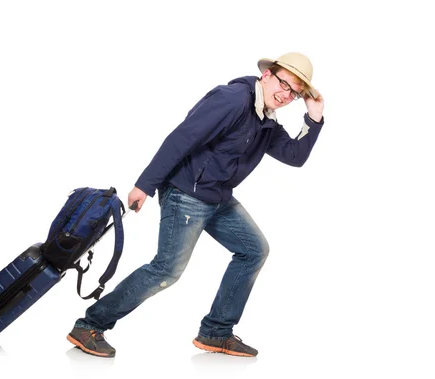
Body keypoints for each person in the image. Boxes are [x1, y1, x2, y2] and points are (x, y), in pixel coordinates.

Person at [67, 52, 325, 357]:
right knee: (166, 270)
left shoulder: (266, 120)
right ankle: (90, 325)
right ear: (267, 75)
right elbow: (183, 137)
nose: (286, 95)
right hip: (185, 194)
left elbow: (294, 156)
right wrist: (145, 185)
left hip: (217, 198)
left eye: (295, 93)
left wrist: (314, 117)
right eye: (284, 84)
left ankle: (216, 332)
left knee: (254, 250)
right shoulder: (232, 99)